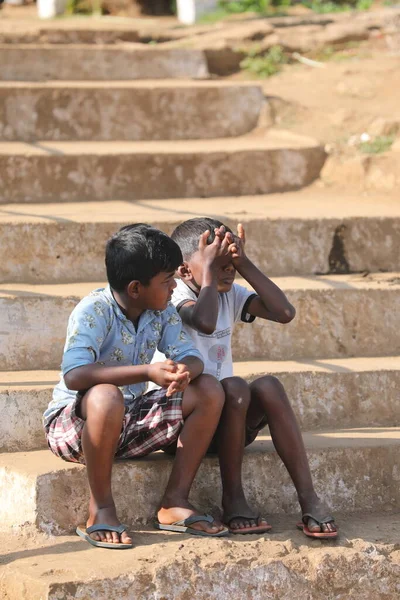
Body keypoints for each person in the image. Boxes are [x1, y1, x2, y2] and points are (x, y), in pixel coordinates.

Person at [43, 223, 228, 549]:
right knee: (105, 396)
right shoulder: (94, 311)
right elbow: (74, 376)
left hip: (127, 422)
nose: (174, 287)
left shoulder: (162, 312)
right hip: (76, 426)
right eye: (166, 280)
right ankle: (101, 508)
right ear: (135, 288)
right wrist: (146, 371)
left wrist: (185, 370)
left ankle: (174, 501)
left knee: (209, 388)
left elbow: (190, 355)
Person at [159, 217, 337, 539]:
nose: (228, 271)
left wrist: (245, 263)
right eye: (220, 264)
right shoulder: (173, 296)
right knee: (232, 386)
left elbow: (284, 313)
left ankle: (309, 498)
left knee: (267, 386)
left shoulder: (230, 291)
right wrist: (212, 274)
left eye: (232, 264)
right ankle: (234, 499)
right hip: (184, 429)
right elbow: (205, 321)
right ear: (185, 270)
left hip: (230, 419)